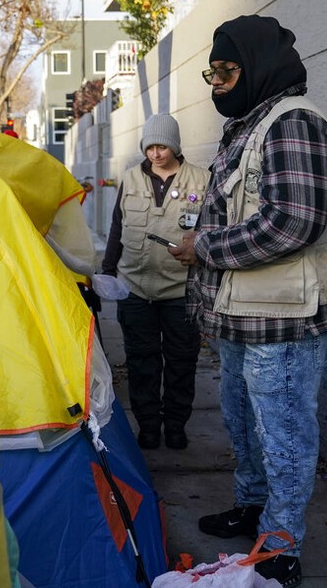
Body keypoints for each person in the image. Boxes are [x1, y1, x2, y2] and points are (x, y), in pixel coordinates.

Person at [168, 15, 327, 587]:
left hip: (288, 318)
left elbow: (290, 225)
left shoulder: (294, 124)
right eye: (213, 71)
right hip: (247, 315)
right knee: (243, 422)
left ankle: (281, 545)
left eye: (226, 71)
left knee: (286, 434)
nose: (216, 83)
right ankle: (253, 509)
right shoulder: (249, 126)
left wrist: (204, 246)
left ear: (259, 68)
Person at [100, 113, 209, 450]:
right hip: (136, 289)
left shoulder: (201, 180)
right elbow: (117, 228)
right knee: (141, 361)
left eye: (162, 147)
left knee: (181, 361)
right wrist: (106, 270)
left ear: (174, 146)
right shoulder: (130, 179)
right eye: (150, 147)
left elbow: (211, 231)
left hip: (181, 291)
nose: (156, 154)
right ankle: (148, 427)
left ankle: (176, 426)